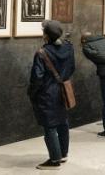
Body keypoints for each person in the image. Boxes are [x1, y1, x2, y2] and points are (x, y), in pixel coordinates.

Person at [28, 20, 75, 170]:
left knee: (50, 127)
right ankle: (63, 153)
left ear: (46, 35)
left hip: (47, 93)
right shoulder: (69, 47)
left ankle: (54, 160)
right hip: (62, 89)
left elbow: (37, 78)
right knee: (62, 122)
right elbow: (72, 68)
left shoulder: (42, 53)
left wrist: (31, 93)